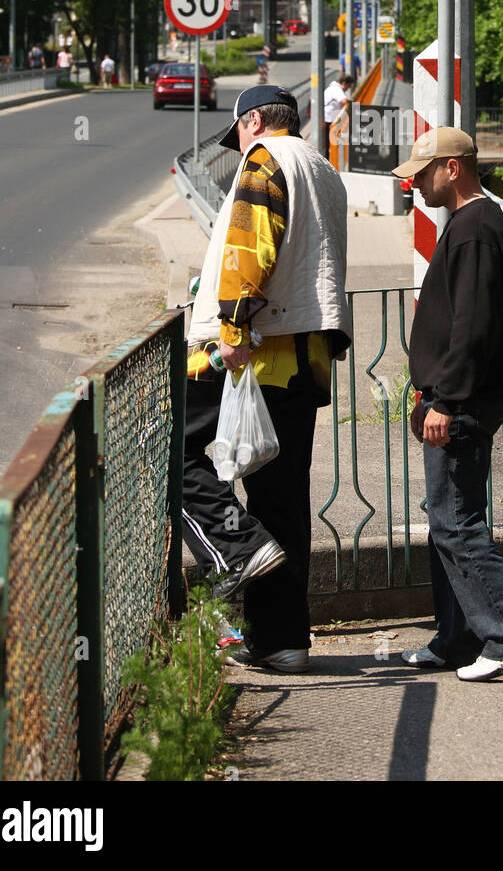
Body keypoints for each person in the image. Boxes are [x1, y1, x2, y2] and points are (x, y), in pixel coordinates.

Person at [183, 84, 352, 674]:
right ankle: (283, 642)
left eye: (239, 133)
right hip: (307, 361)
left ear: (254, 120)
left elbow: (249, 250)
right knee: (283, 499)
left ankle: (236, 544)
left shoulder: (266, 160)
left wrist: (230, 330)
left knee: (173, 454)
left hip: (256, 354)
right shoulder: (324, 168)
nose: (238, 147)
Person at [392, 127, 503, 682]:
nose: (413, 181)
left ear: (452, 168)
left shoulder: (476, 226)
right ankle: (458, 638)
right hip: (454, 396)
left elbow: (473, 327)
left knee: (457, 522)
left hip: (463, 401)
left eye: (421, 171)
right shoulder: (472, 222)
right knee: (447, 521)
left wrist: (447, 400)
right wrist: (430, 390)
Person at [323, 72, 354, 155]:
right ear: (344, 83)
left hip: (328, 118)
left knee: (328, 143)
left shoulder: (334, 88)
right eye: (348, 86)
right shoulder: (336, 89)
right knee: (328, 143)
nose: (348, 89)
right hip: (328, 119)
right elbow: (344, 101)